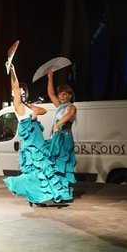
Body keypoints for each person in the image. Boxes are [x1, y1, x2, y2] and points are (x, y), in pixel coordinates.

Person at [2, 64, 70, 206]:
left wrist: (35, 112)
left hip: (39, 143)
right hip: (31, 146)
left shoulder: (28, 106)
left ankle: (37, 198)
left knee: (42, 170)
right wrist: (13, 71)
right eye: (18, 91)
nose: (21, 92)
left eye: (23, 91)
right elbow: (15, 86)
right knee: (35, 171)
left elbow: (43, 110)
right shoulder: (18, 105)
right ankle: (22, 188)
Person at [46, 70, 77, 200]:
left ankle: (65, 192)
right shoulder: (60, 106)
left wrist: (57, 124)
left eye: (65, 94)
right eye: (60, 94)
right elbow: (50, 94)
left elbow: (68, 116)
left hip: (65, 138)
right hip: (56, 138)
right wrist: (50, 77)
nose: (62, 96)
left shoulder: (71, 107)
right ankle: (56, 191)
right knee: (54, 164)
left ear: (70, 95)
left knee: (64, 164)